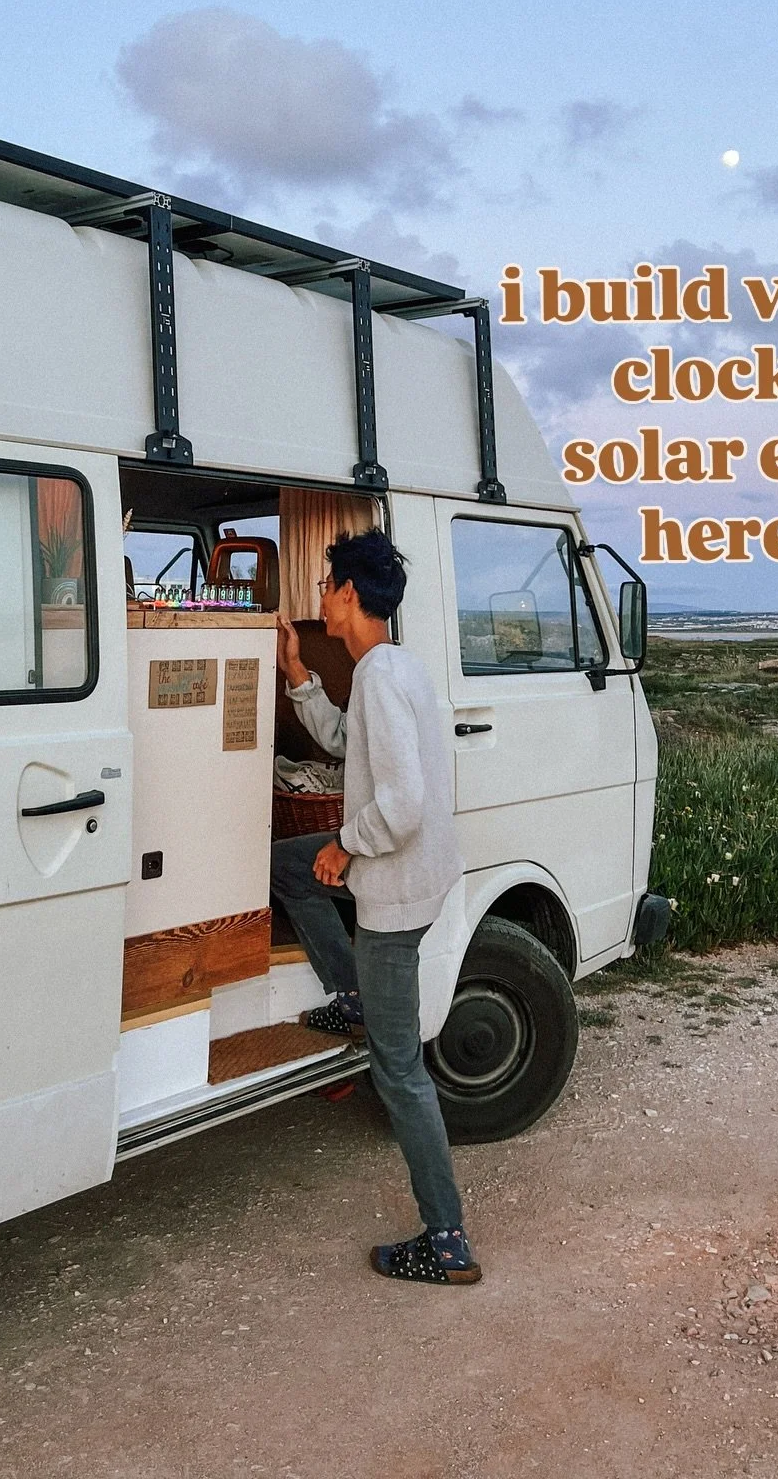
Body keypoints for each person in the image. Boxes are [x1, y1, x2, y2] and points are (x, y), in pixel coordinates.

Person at [271, 528, 480, 1286]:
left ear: (351, 594)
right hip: (409, 872)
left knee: (399, 1072)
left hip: (394, 886)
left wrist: (347, 848)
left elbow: (401, 804)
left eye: (328, 585)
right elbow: (344, 744)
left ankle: (447, 1238)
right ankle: (352, 992)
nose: (322, 596)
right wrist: (297, 674)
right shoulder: (385, 670)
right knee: (289, 869)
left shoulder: (383, 676)